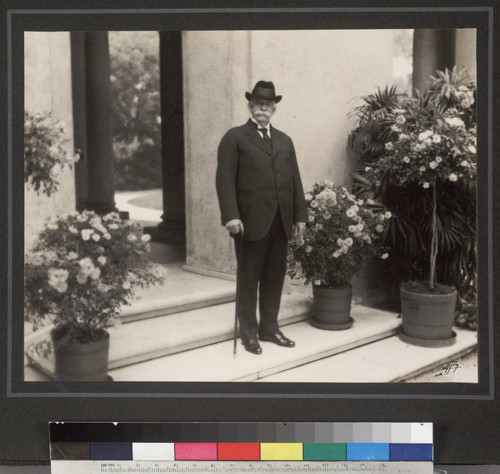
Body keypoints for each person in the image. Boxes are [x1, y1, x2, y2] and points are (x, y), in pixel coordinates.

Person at [216, 80, 307, 355]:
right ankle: (249, 333)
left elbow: (295, 181)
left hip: (281, 221)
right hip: (249, 223)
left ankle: (270, 328)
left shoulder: (284, 140)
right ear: (250, 106)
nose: (263, 109)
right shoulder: (234, 137)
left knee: (274, 278)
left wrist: (300, 218)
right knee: (248, 279)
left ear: (274, 109)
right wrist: (230, 215)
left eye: (268, 105)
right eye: (258, 104)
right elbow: (224, 181)